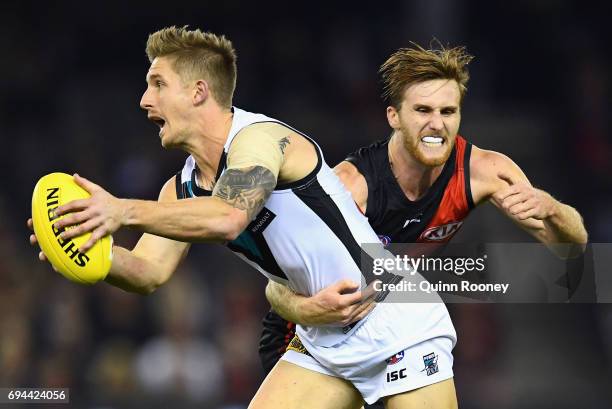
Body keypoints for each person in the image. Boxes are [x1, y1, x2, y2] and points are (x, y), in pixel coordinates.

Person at [28, 26, 459, 408]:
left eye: (158, 84)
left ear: (198, 92)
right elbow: (147, 272)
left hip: (395, 315)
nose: (144, 100)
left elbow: (230, 215)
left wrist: (121, 210)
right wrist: (82, 249)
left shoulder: (261, 140)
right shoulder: (180, 189)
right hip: (325, 334)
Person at [258, 42, 589, 406]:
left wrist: (553, 209)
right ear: (393, 116)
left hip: (391, 330)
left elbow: (572, 246)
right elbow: (275, 283)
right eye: (422, 110)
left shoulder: (483, 171)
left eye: (448, 111)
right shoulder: (351, 186)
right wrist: (306, 310)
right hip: (316, 333)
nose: (437, 123)